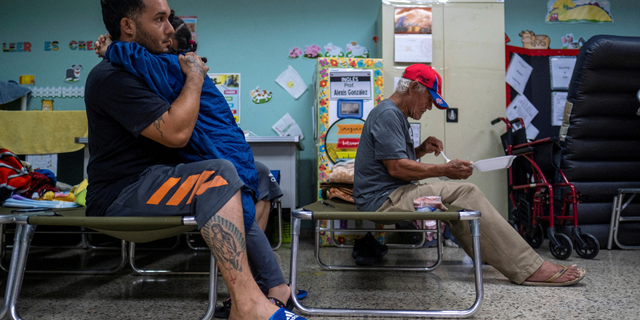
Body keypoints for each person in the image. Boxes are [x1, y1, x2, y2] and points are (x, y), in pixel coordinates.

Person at [86, 1, 306, 319]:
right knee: (220, 174)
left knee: (257, 174)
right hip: (123, 191)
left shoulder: (154, 65)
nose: (167, 28)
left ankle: (263, 285)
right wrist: (195, 77)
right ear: (129, 27)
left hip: (163, 174)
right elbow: (177, 133)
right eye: (159, 19)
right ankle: (248, 306)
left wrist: (110, 46)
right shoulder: (111, 77)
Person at [353, 63, 586, 286]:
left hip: (389, 193)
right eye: (429, 99)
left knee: (461, 202)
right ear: (414, 88)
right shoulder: (388, 114)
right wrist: (444, 169)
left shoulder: (394, 114)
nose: (430, 106)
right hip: (383, 200)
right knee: (466, 191)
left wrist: (420, 149)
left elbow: (390, 161)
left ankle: (500, 257)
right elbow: (396, 168)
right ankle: (530, 267)